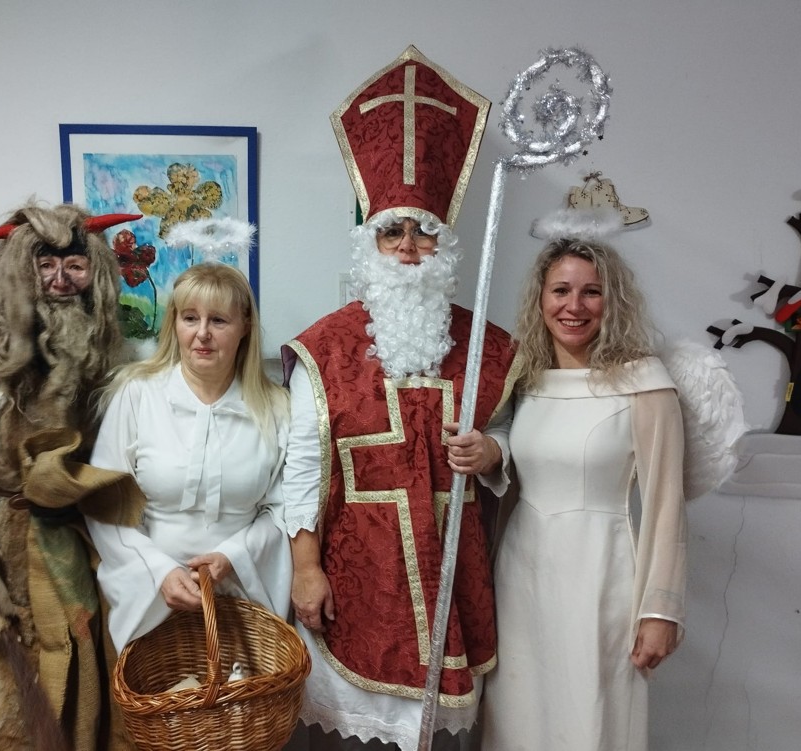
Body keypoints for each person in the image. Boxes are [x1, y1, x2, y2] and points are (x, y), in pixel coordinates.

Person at [282, 46, 515, 751]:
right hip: (356, 580)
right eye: (392, 231)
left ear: (445, 243)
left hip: (453, 575)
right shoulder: (323, 348)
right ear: (370, 243)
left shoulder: (491, 346)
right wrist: (305, 568)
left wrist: (494, 451)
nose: (409, 247)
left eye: (424, 231)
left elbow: (523, 442)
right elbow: (302, 468)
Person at [0, 202, 140, 750]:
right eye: (44, 265)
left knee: (77, 712)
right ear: (17, 272)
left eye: (75, 265)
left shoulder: (106, 360)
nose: (60, 281)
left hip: (75, 561)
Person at [479, 237, 688, 751]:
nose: (574, 306)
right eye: (561, 290)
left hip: (600, 575)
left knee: (590, 718)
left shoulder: (644, 383)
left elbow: (666, 505)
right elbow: (510, 464)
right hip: (521, 575)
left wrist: (661, 610)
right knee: (518, 718)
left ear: (613, 300)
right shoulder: (524, 381)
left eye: (591, 292)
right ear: (540, 298)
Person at [86, 261, 292, 655]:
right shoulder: (137, 394)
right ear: (175, 323)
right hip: (148, 592)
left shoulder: (277, 408)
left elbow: (284, 510)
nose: (202, 334)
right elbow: (107, 504)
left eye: (219, 320)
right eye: (190, 318)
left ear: (245, 326)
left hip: (245, 594)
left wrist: (234, 557)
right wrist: (160, 572)